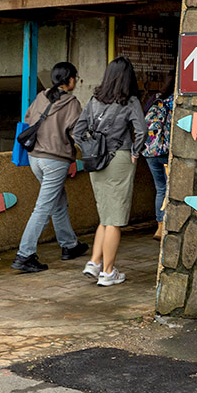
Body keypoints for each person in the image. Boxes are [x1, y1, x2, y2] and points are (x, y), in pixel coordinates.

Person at [73, 56, 146, 287]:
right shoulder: (130, 101)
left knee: (105, 214)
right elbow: (141, 130)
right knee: (114, 218)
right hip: (119, 158)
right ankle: (108, 272)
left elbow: (77, 131)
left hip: (96, 161)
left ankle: (94, 263)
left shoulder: (94, 100)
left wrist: (90, 148)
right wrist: (135, 151)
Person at [11, 61, 88, 273]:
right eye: (75, 77)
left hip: (35, 157)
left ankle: (70, 245)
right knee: (44, 207)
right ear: (69, 79)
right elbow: (77, 132)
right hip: (55, 160)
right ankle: (24, 254)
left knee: (57, 202)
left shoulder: (41, 96)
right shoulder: (72, 103)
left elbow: (27, 119)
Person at [141, 72, 175, 240]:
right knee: (171, 189)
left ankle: (159, 227)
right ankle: (169, 224)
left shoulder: (154, 99)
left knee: (160, 188)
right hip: (168, 151)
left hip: (150, 152)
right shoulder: (176, 101)